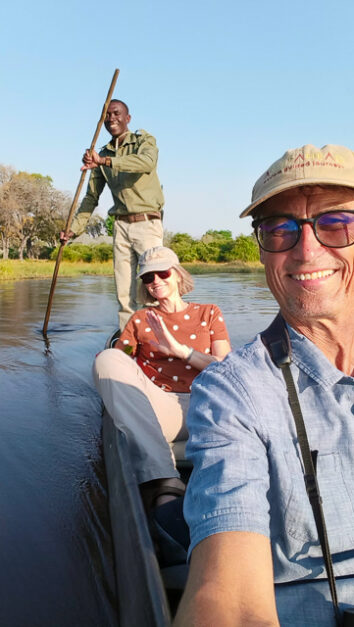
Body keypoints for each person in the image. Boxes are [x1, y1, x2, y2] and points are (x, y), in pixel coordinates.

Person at [174, 144, 354, 627]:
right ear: (261, 249)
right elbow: (227, 599)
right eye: (280, 229)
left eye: (338, 223)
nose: (308, 249)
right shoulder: (234, 390)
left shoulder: (205, 313)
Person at [93, 246, 231, 511]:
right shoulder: (141, 319)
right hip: (160, 410)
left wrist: (181, 352)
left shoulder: (209, 313)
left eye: (162, 273)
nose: (156, 281)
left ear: (178, 274)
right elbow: (123, 358)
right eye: (148, 277)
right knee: (107, 360)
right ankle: (166, 479)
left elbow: (225, 369)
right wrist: (111, 359)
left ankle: (159, 452)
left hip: (207, 407)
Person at [64, 99, 165, 329]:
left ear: (127, 118)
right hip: (120, 226)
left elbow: (147, 163)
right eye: (107, 115)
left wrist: (105, 161)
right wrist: (73, 230)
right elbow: (91, 198)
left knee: (154, 287)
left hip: (147, 223)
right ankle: (128, 343)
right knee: (123, 293)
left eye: (117, 113)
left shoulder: (143, 141)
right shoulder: (100, 154)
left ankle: (159, 341)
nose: (112, 119)